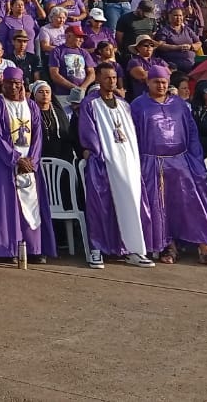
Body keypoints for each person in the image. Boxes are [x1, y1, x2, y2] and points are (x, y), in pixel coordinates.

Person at [131, 66, 207, 267]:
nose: (160, 85)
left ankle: (206, 249)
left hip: (181, 161)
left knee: (193, 204)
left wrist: (194, 159)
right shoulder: (138, 106)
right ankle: (168, 246)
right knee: (160, 207)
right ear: (148, 82)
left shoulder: (179, 105)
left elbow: (192, 133)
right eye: (156, 82)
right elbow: (133, 137)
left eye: (164, 82)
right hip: (152, 162)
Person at [78, 63, 154, 268]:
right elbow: (89, 132)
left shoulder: (124, 104)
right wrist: (100, 154)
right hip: (104, 162)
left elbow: (130, 134)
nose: (111, 81)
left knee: (132, 203)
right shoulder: (90, 104)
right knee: (101, 206)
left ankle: (133, 249)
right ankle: (98, 249)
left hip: (128, 162)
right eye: (106, 78)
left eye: (113, 78)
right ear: (98, 79)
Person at [0, 67, 56, 264]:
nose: (14, 87)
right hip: (6, 164)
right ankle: (9, 249)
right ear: (3, 84)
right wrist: (16, 158)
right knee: (9, 207)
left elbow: (38, 135)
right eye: (10, 83)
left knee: (33, 205)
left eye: (18, 83)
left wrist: (32, 159)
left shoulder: (31, 106)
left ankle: (34, 248)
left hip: (30, 165)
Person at [29, 80, 74, 164]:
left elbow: (67, 134)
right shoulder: (30, 113)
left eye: (47, 92)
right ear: (34, 95)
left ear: (51, 96)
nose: (44, 94)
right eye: (40, 92)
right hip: (40, 155)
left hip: (61, 156)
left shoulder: (59, 113)